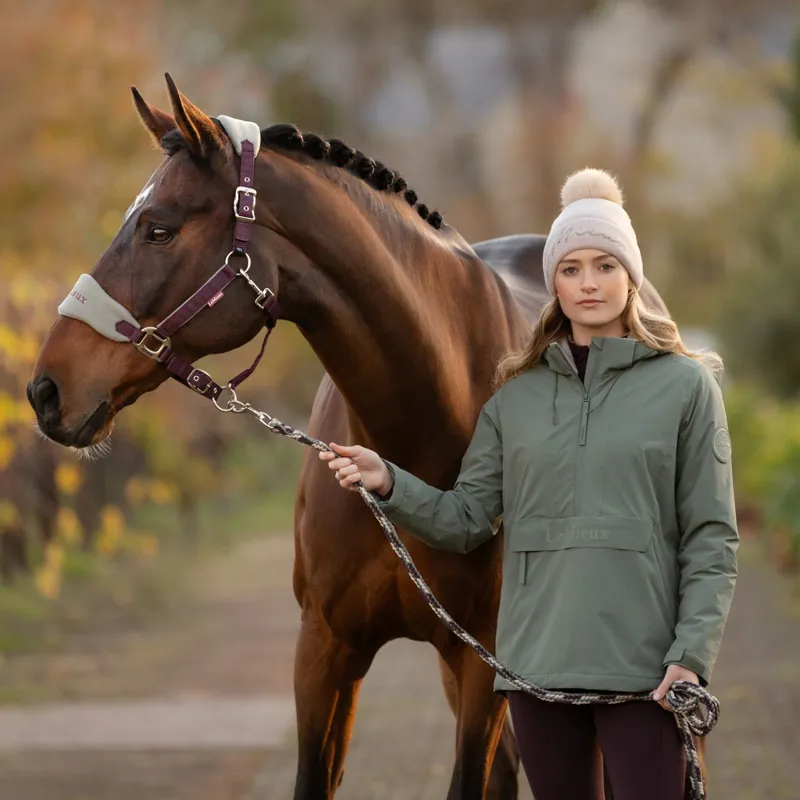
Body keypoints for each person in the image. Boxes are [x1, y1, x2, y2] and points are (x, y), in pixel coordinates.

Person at [319, 167, 738, 799]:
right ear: (553, 284)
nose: (589, 283)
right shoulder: (515, 397)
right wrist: (389, 482)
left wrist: (691, 657)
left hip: (649, 676)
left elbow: (712, 539)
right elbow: (464, 520)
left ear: (631, 276)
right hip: (537, 680)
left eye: (605, 265)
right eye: (571, 269)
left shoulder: (686, 388)